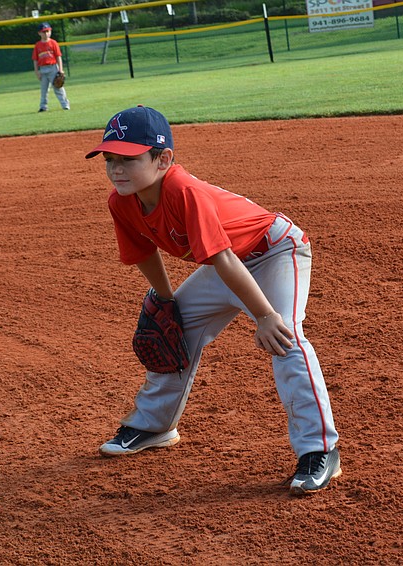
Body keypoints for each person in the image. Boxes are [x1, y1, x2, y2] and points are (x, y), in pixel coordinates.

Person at [86, 106, 341, 495]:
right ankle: (155, 426)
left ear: (163, 159)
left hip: (274, 251)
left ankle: (320, 449)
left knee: (285, 338)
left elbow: (222, 258)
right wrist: (168, 300)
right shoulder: (122, 201)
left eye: (129, 159)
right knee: (172, 332)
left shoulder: (183, 191)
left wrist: (266, 316)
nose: (117, 169)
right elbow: (142, 253)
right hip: (228, 262)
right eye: (110, 160)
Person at [32, 22, 70, 113]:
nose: (46, 34)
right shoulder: (37, 45)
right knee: (44, 90)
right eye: (44, 32)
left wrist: (60, 70)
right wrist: (37, 72)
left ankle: (65, 105)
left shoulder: (53, 43)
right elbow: (35, 60)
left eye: (48, 31)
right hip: (43, 69)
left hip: (53, 68)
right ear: (39, 33)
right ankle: (43, 106)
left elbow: (58, 57)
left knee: (58, 88)